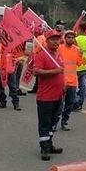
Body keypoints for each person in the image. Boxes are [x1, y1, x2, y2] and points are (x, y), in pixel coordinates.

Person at [33, 29, 65, 160]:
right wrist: (54, 71)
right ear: (47, 41)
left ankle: (49, 143)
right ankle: (44, 148)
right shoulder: (42, 55)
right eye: (53, 39)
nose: (56, 42)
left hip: (58, 96)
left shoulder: (58, 54)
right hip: (45, 97)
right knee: (45, 123)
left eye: (57, 39)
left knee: (53, 122)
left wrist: (64, 86)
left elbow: (62, 72)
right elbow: (36, 71)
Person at [58, 30, 85, 130]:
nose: (70, 39)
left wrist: (81, 55)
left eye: (72, 37)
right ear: (65, 38)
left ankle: (64, 121)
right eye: (68, 37)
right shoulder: (59, 48)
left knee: (69, 104)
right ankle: (54, 122)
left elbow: (79, 63)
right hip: (61, 81)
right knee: (59, 103)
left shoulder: (77, 50)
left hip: (72, 81)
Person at [0, 36, 21, 111]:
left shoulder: (12, 45)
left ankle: (16, 103)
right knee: (0, 87)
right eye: (2, 36)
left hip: (10, 70)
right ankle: (2, 102)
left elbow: (17, 56)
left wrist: (16, 62)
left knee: (13, 87)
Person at [74, 23, 86, 110]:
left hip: (76, 66)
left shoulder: (75, 40)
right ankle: (81, 102)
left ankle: (75, 102)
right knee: (83, 85)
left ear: (80, 29)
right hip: (85, 66)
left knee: (74, 85)